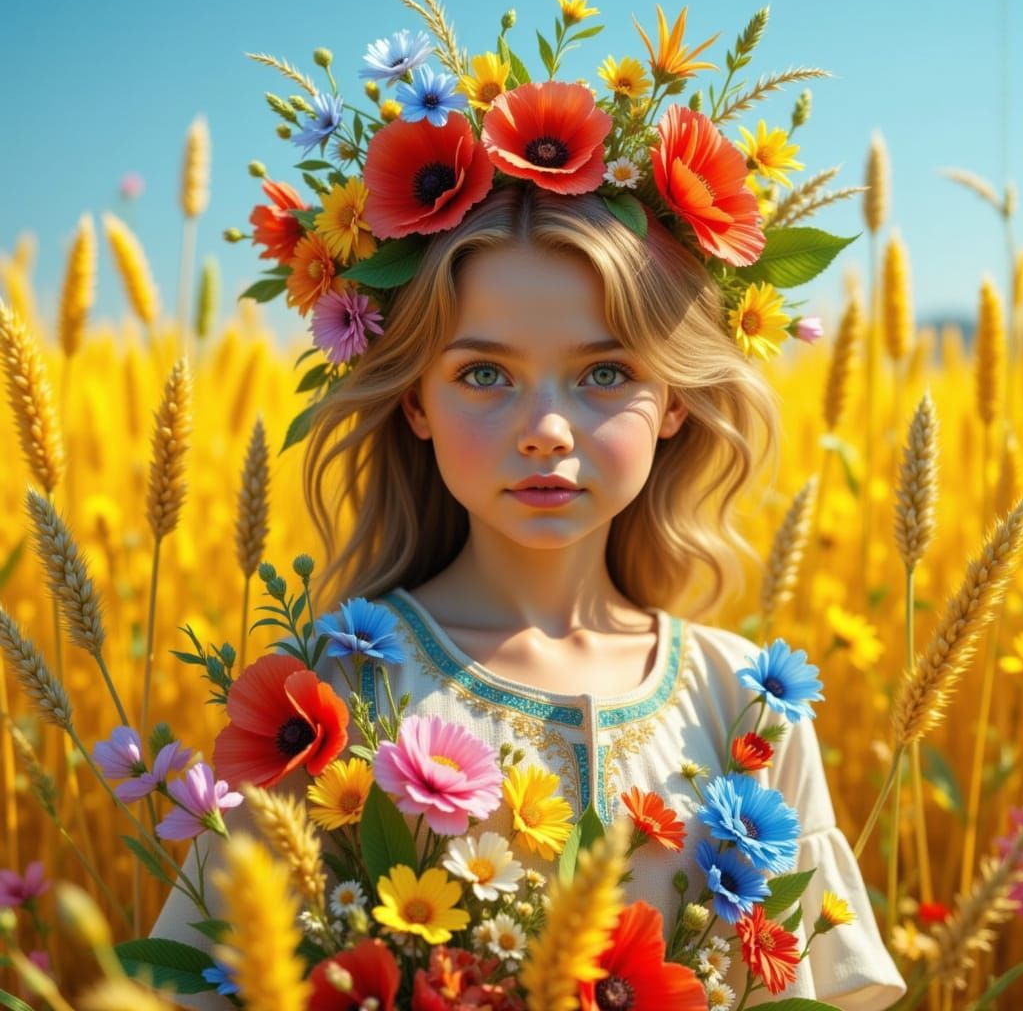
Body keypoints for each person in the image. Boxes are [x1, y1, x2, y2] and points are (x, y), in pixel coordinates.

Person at [151, 182, 907, 1009]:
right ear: (414, 401)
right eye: (484, 373)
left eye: (606, 372)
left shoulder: (749, 702)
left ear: (675, 402)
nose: (546, 427)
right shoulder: (324, 696)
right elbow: (202, 984)